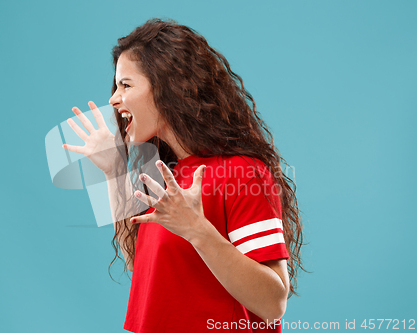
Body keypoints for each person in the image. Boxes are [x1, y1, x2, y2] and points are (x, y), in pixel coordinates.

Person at [63, 18, 304, 333]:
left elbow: (273, 304)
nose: (113, 99)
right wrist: (114, 171)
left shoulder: (243, 173)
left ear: (166, 86)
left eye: (126, 84)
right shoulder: (169, 176)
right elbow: (143, 268)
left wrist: (198, 231)